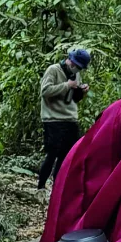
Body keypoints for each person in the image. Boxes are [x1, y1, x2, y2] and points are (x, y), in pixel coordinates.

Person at [37, 46, 90, 188]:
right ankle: (40, 187)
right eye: (76, 66)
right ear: (70, 61)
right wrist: (66, 85)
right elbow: (45, 91)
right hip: (53, 119)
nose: (77, 69)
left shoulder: (76, 74)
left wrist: (81, 91)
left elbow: (73, 99)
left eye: (80, 68)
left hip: (70, 119)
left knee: (67, 156)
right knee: (52, 154)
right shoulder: (53, 70)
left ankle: (57, 188)